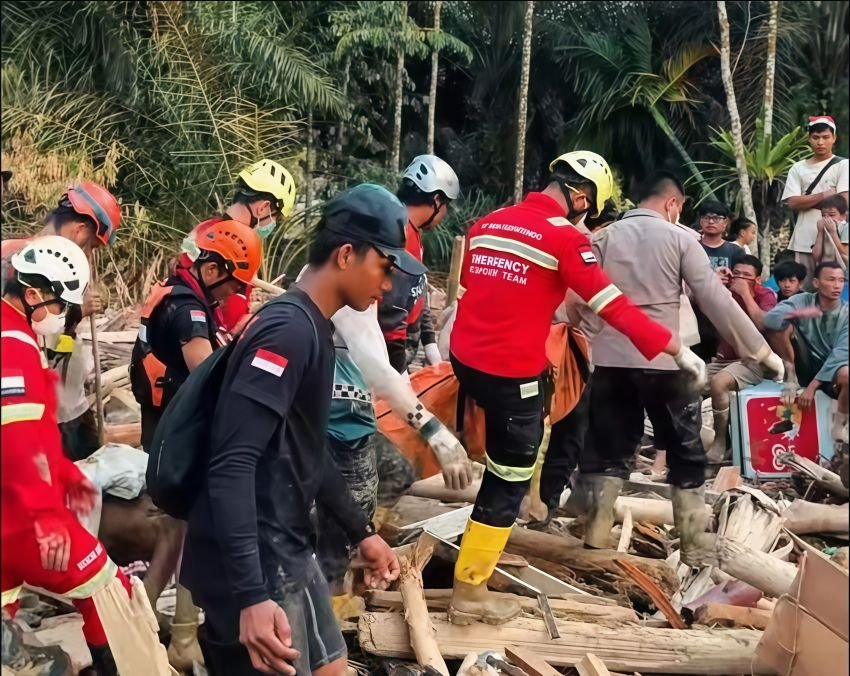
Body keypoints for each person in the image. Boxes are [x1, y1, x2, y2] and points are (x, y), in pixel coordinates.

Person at [447, 152, 705, 625]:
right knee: (507, 482)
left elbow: (469, 287)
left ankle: (480, 555)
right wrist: (675, 348)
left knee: (501, 466)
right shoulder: (566, 239)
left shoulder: (488, 223)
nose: (586, 220)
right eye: (588, 211)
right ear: (581, 197)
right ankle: (470, 589)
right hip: (512, 378)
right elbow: (614, 308)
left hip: (465, 362)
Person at [182, 184, 407, 676]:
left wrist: (362, 533)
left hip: (287, 548)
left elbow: (304, 449)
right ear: (347, 254)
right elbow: (232, 461)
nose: (387, 285)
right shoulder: (288, 332)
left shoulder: (314, 328)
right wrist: (251, 598)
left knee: (332, 667)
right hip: (255, 563)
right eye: (384, 268)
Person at [576, 172, 782, 566]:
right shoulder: (681, 240)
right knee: (685, 453)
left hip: (610, 360)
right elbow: (715, 300)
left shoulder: (601, 239)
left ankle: (596, 537)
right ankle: (693, 547)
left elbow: (579, 302)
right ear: (674, 204)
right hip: (667, 361)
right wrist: (758, 350)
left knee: (607, 451)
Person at [2, 237, 168, 675]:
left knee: (6, 601)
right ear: (33, 293)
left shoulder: (15, 332)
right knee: (105, 586)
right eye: (61, 307)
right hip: (16, 511)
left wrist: (64, 474)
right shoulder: (14, 347)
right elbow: (16, 445)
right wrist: (48, 518)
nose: (63, 316)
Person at [130, 219, 262, 670]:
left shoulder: (175, 290)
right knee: (197, 531)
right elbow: (207, 374)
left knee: (175, 531)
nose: (231, 294)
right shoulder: (191, 311)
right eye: (232, 283)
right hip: (182, 437)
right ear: (213, 270)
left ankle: (140, 620)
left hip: (164, 431)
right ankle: (183, 637)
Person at [1, 182, 122, 461]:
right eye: (92, 245)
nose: (90, 254)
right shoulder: (17, 260)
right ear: (79, 230)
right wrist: (77, 310)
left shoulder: (55, 265)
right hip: (39, 404)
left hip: (68, 400)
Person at [179, 159, 297, 333]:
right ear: (263, 208)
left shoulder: (205, 229)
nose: (274, 223)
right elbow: (231, 326)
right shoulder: (238, 249)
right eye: (276, 217)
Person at [379, 155, 460, 373]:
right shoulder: (401, 237)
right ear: (436, 200)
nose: (444, 214)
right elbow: (391, 313)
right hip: (386, 353)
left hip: (400, 346)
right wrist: (399, 374)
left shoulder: (412, 232)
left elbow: (416, 291)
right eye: (446, 206)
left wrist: (429, 341)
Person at [764, 261, 848, 443]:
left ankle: (840, 426)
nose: (837, 286)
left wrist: (813, 386)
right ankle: (790, 376)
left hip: (830, 372)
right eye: (831, 279)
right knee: (781, 327)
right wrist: (804, 313)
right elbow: (770, 321)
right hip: (802, 363)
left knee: (847, 374)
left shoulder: (846, 313)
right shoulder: (801, 300)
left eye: (841, 281)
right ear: (816, 283)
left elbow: (842, 352)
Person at [706, 255, 779, 463]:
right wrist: (712, 280)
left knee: (720, 383)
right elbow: (694, 300)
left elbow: (764, 325)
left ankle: (721, 442)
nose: (739, 279)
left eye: (746, 276)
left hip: (754, 361)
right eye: (736, 273)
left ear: (758, 280)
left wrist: (746, 295)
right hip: (722, 360)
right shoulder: (723, 291)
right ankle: (689, 442)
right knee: (685, 383)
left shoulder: (766, 295)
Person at [783, 116, 849, 286]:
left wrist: (805, 200)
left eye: (826, 137)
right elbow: (792, 203)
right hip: (804, 239)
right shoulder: (797, 168)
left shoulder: (843, 165)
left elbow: (843, 201)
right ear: (809, 138)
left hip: (836, 241)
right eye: (816, 137)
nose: (821, 142)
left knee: (835, 289)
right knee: (805, 290)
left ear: (834, 138)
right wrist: (825, 195)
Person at [812, 194, 849, 267]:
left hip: (841, 271)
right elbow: (816, 257)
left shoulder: (846, 228)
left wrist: (833, 233)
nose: (827, 219)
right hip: (825, 268)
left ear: (843, 216)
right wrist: (820, 232)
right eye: (823, 215)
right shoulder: (823, 229)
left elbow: (844, 253)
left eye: (832, 215)